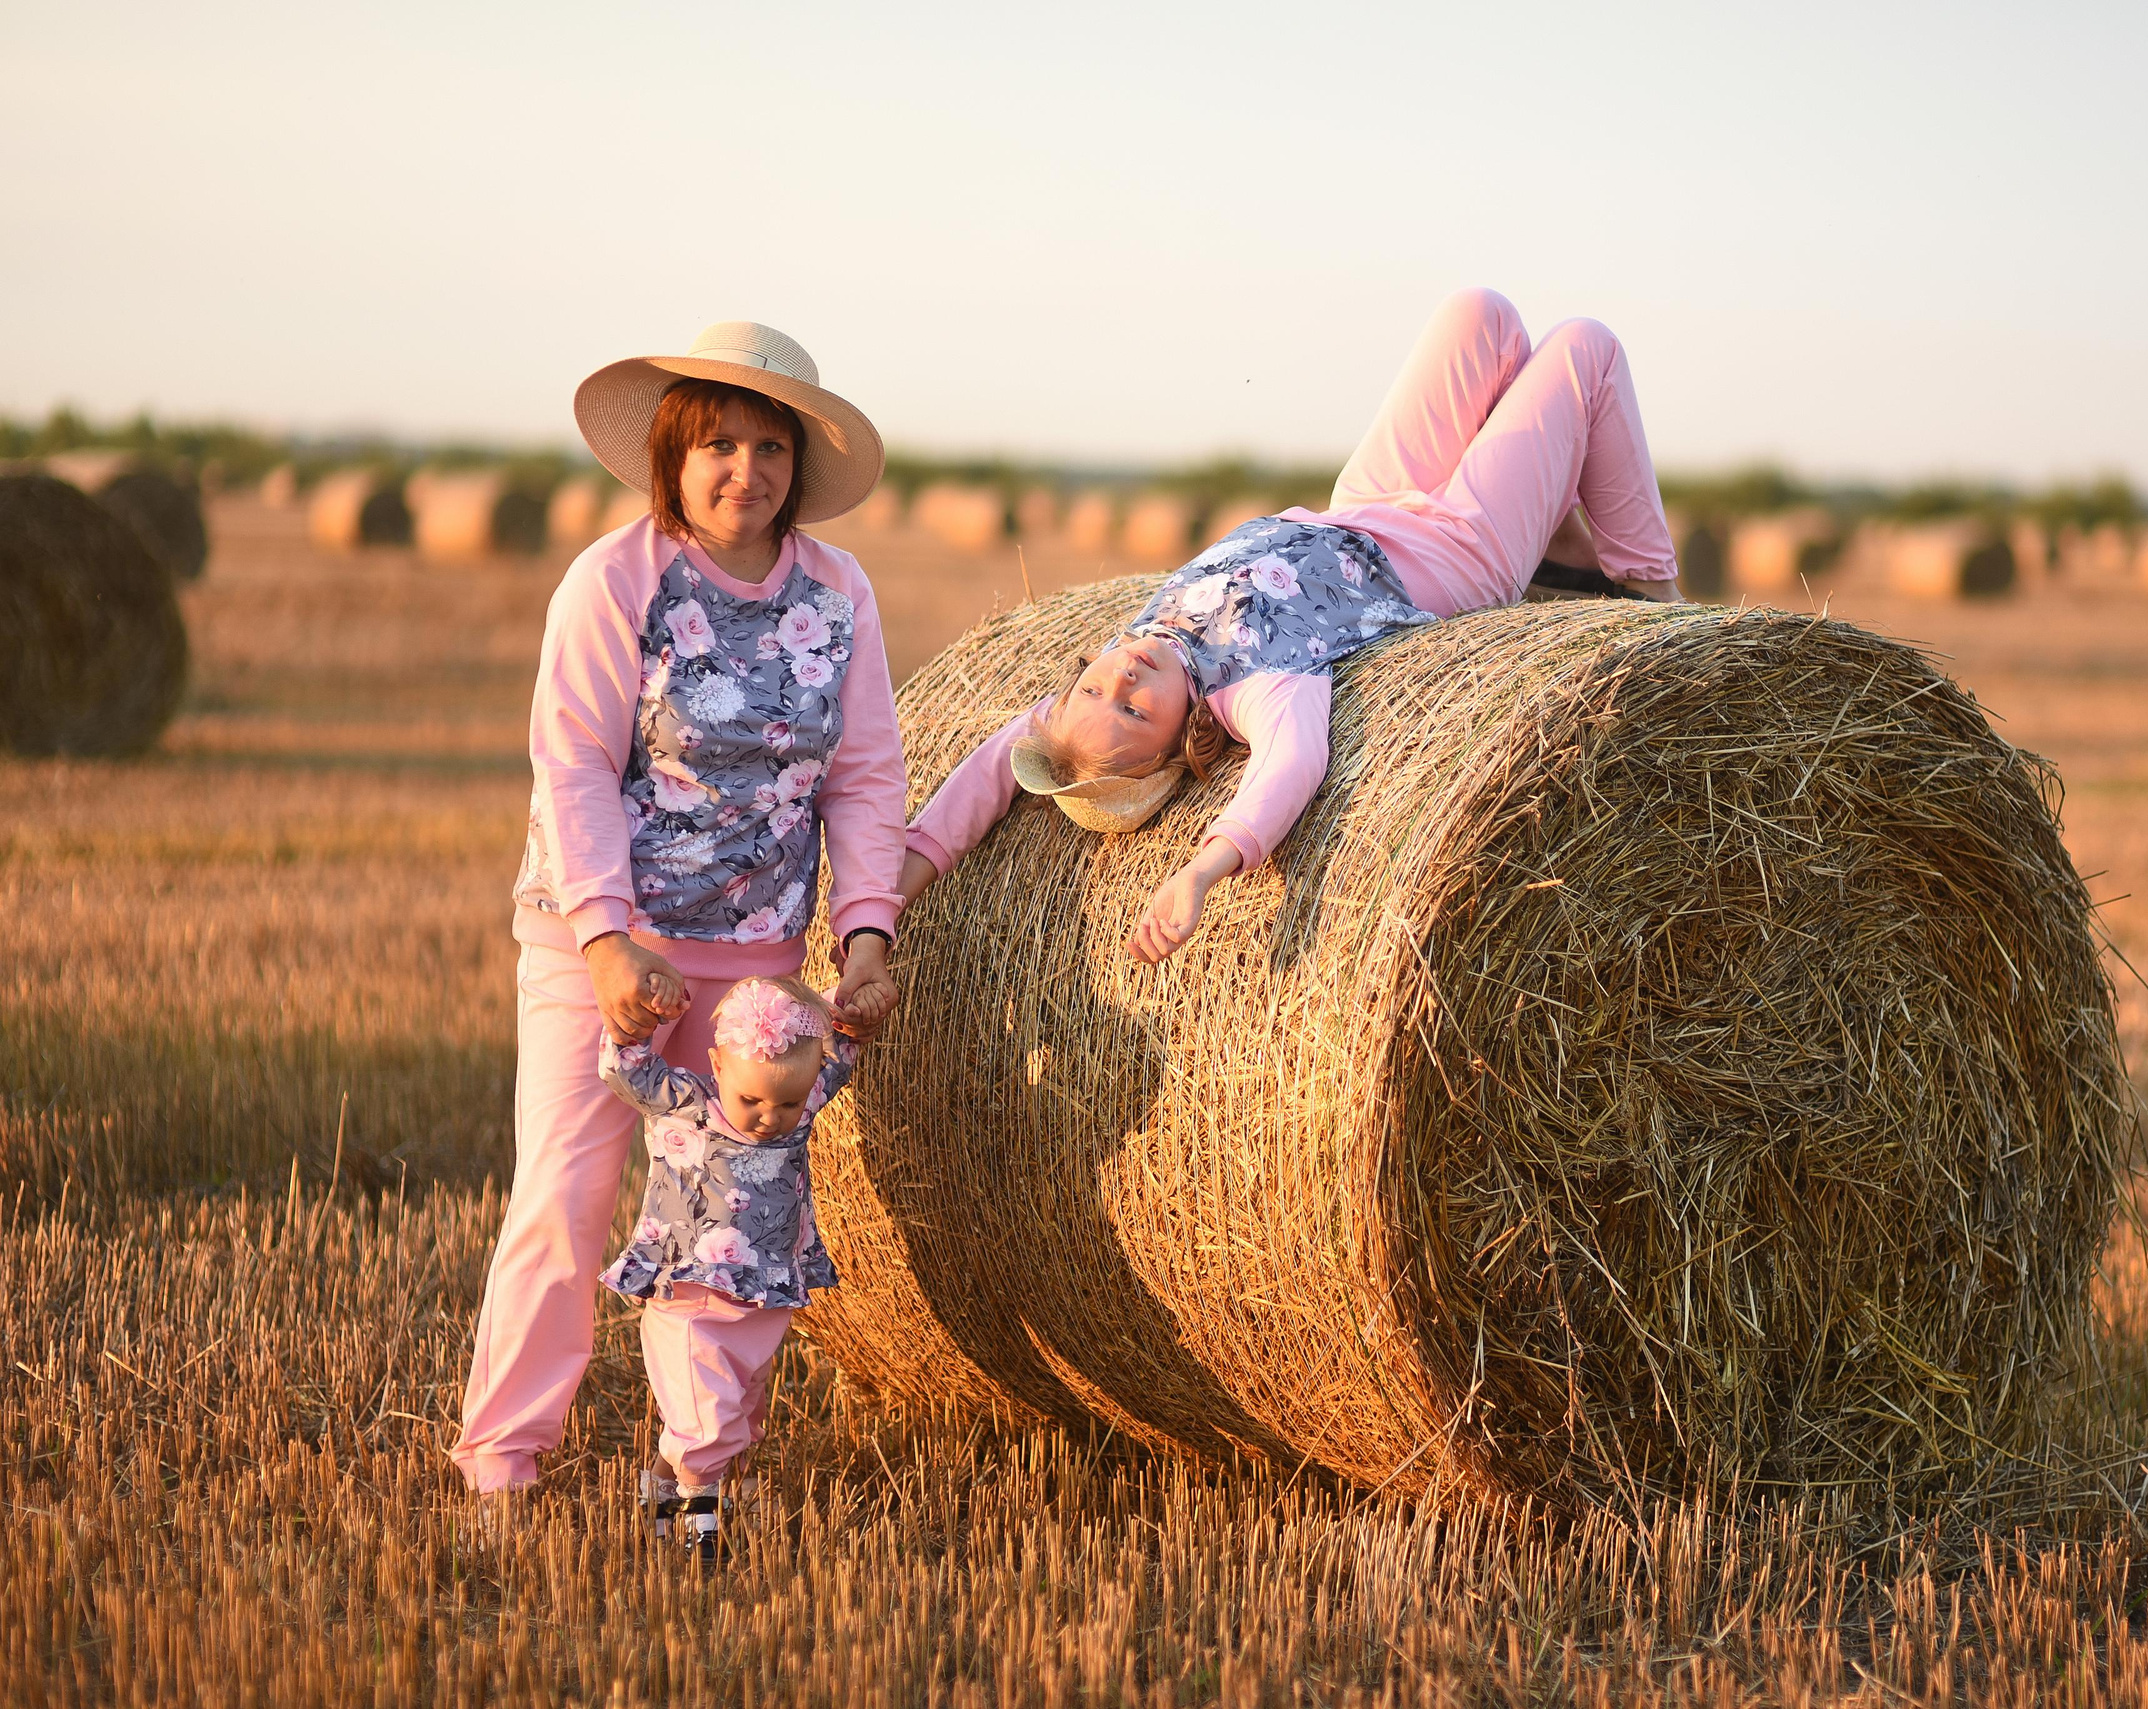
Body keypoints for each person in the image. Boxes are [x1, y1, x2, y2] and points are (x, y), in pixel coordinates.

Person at [451, 322, 910, 1498]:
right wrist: (607, 940)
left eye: (770, 447)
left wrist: (864, 936)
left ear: (798, 463)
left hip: (753, 961)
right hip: (597, 947)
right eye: (718, 444)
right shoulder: (616, 580)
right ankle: (503, 1465)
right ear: (673, 452)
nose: (744, 470)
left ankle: (695, 1471)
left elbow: (865, 774)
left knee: (732, 1218)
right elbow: (572, 763)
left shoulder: (838, 590)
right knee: (565, 1203)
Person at [897, 288, 1680, 959]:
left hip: (1362, 504)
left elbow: (993, 769)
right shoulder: (1250, 686)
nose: (1123, 678)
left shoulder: (1123, 657)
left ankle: (1561, 541)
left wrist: (901, 879)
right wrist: (1204, 868)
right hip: (1457, 550)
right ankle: (1649, 586)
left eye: (1097, 688)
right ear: (1179, 742)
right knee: (1587, 348)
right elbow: (1292, 762)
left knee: (1483, 315)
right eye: (1135, 712)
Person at [598, 975, 866, 1560]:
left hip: (761, 1301)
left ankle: (658, 1496)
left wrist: (850, 1012)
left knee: (736, 1411)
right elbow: (624, 1069)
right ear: (717, 1065)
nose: (771, 1117)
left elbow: (839, 1060)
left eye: (787, 1103)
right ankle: (702, 1532)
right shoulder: (688, 1101)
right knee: (708, 1420)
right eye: (753, 1101)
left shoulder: (802, 1103)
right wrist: (637, 1021)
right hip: (691, 1296)